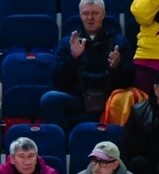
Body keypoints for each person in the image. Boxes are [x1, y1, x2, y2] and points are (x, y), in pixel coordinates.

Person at [44, 0, 133, 132]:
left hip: (110, 99)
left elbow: (131, 79)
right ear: (80, 15)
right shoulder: (68, 43)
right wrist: (72, 58)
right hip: (79, 98)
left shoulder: (119, 42)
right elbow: (57, 80)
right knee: (49, 99)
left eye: (95, 13)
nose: (90, 18)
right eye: (85, 13)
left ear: (103, 14)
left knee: (129, 98)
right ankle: (67, 146)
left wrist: (118, 66)